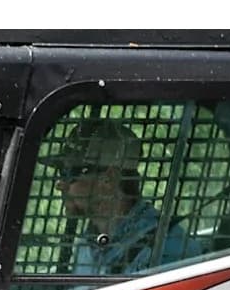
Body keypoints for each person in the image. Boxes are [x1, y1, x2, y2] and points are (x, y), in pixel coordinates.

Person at [50, 117, 192, 277]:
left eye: (69, 174)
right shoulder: (87, 244)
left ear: (108, 178)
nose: (60, 185)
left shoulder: (168, 247)